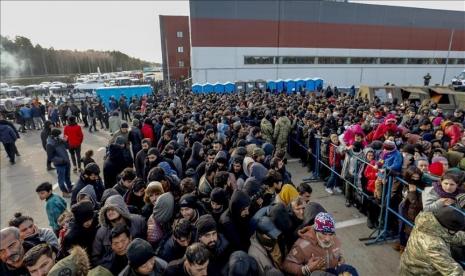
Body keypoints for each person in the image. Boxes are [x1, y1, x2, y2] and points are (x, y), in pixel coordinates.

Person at [283, 212, 357, 276]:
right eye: (324, 233)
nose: (328, 239)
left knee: (349, 269)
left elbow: (336, 252)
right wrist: (306, 269)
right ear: (316, 230)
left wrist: (340, 258)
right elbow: (286, 265)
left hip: (333, 272)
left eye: (331, 234)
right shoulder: (302, 245)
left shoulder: (335, 239)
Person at [400, 207, 465, 275]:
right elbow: (454, 272)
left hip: (408, 265)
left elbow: (449, 236)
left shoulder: (427, 223)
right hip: (417, 273)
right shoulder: (434, 245)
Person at [92, 195, 146, 267]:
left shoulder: (138, 221)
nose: (110, 212)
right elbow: (95, 259)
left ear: (121, 208)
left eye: (113, 208)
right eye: (107, 210)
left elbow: (147, 243)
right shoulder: (101, 232)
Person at [46, 128, 73, 197]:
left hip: (66, 162)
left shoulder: (60, 140)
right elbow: (51, 157)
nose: (62, 135)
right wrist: (62, 160)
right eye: (60, 134)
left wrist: (66, 141)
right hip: (60, 164)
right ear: (55, 136)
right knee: (61, 180)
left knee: (67, 177)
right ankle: (64, 192)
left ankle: (70, 188)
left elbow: (68, 147)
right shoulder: (50, 144)